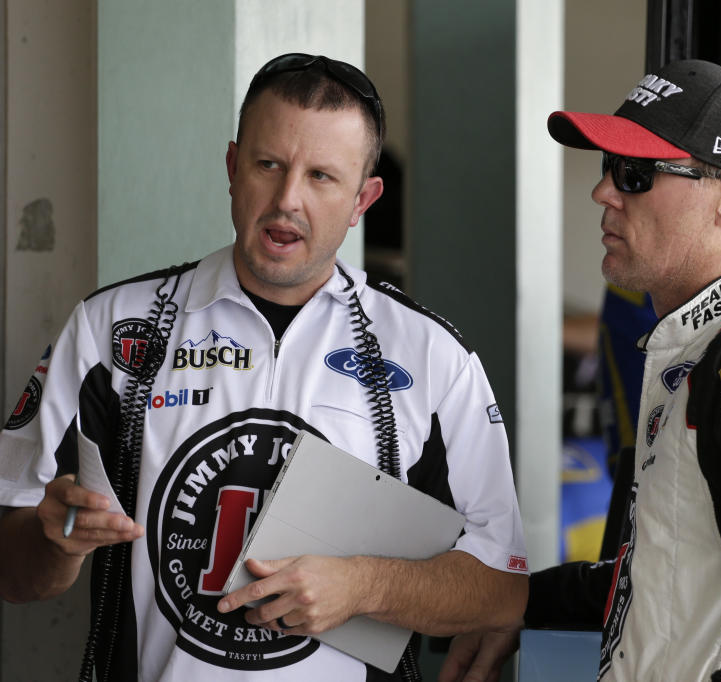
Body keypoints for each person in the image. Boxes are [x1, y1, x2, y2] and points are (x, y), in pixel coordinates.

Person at [0, 53, 528, 682]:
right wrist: (57, 547)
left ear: (364, 198)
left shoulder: (431, 355)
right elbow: (13, 571)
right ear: (232, 167)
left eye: (322, 177)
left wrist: (362, 586)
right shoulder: (109, 329)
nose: (287, 200)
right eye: (268, 164)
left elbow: (500, 589)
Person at [439, 59, 721, 681]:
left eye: (636, 173)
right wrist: (517, 605)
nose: (603, 192)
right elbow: (667, 575)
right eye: (608, 168)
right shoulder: (700, 342)